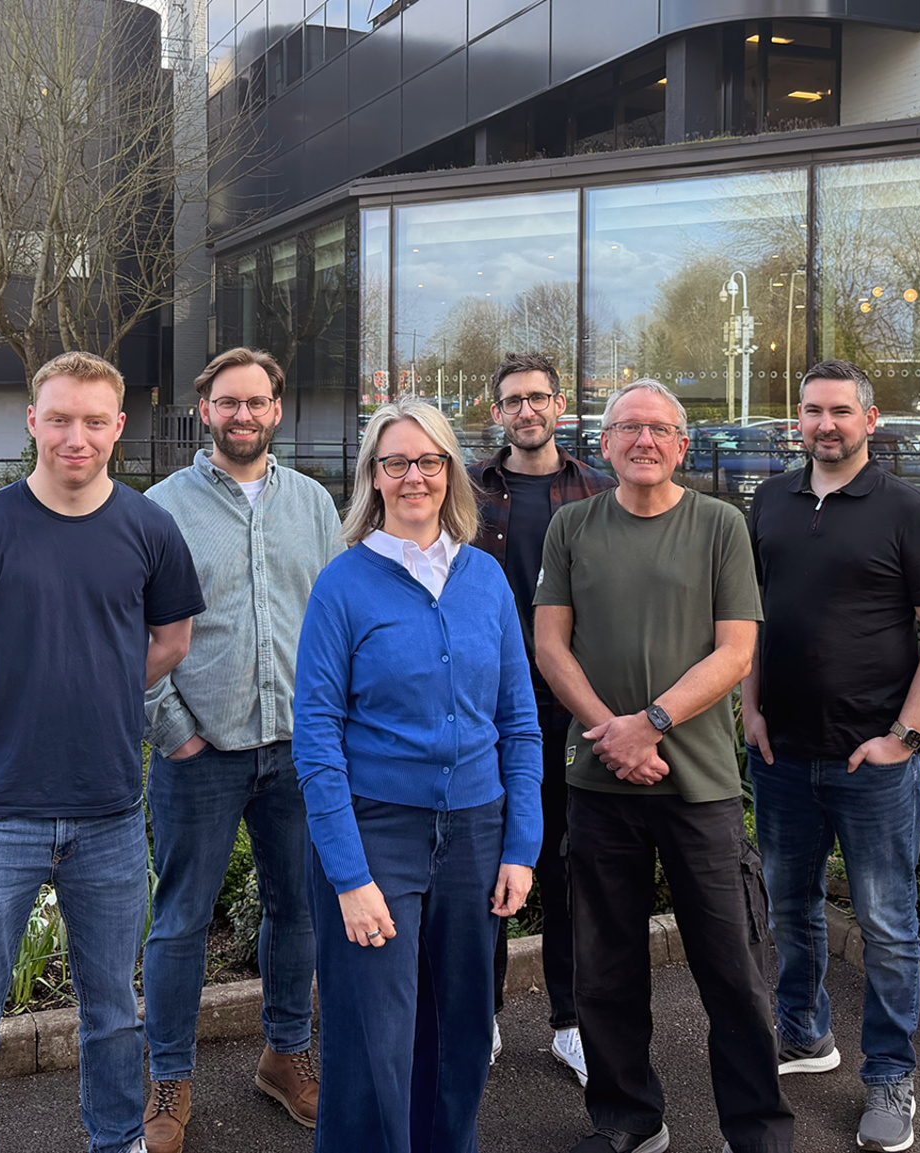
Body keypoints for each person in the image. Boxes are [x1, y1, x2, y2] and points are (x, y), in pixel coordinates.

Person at [0, 351, 205, 1153]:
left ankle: (118, 1141)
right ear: (32, 422)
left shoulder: (149, 528)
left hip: (110, 811)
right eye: (61, 418)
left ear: (117, 427)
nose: (77, 436)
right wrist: (24, 699)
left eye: (95, 420)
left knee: (114, 1010)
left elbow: (172, 638)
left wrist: (104, 687)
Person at [533, 380, 797, 1153]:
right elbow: (550, 645)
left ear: (683, 445)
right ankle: (626, 1119)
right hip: (598, 782)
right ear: (605, 444)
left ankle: (757, 1130)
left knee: (734, 969)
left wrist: (649, 724)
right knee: (605, 969)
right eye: (627, 428)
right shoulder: (571, 526)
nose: (643, 440)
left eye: (660, 429)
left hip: (700, 783)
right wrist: (607, 733)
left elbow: (737, 650)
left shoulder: (719, 525)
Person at [293, 398, 543, 1153]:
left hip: (474, 833)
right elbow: (316, 739)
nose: (414, 476)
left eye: (429, 460)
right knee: (373, 1044)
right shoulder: (343, 584)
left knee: (461, 1031)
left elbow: (519, 724)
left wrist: (520, 846)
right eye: (395, 461)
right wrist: (349, 876)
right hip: (376, 835)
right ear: (373, 474)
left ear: (449, 472)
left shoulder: (486, 579)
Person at [742, 359, 920, 1153]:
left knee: (885, 921)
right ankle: (805, 1034)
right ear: (795, 419)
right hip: (781, 756)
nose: (825, 424)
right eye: (812, 410)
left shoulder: (908, 511)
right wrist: (749, 709)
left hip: (873, 764)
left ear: (871, 421)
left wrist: (903, 738)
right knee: (788, 905)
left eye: (841, 410)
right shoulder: (768, 501)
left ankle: (889, 1076)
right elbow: (750, 622)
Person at [140, 347, 343, 1151]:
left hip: (298, 747)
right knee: (180, 918)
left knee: (297, 909)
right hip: (201, 750)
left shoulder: (316, 504)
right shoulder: (160, 509)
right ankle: (169, 1075)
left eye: (257, 402)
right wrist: (173, 728)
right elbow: (136, 631)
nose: (244, 415)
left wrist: (330, 726)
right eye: (229, 402)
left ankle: (286, 1053)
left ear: (277, 410)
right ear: (205, 410)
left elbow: (333, 620)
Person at [467, 351, 615, 1085]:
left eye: (538, 398)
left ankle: (570, 1022)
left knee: (568, 866)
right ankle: (481, 1016)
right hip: (489, 709)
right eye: (512, 400)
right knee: (487, 859)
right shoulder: (467, 491)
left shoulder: (598, 489)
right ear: (497, 412)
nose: (527, 410)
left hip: (574, 708)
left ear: (560, 405)